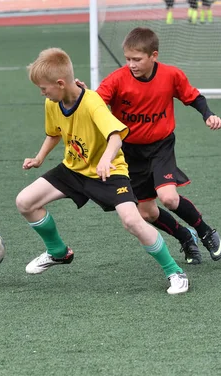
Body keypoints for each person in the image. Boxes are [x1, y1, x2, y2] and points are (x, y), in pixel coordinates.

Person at [16, 48, 189, 295]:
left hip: (109, 172)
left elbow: (116, 137)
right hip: (74, 169)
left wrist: (107, 159)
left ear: (60, 83)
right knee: (25, 202)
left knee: (132, 220)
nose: (42, 93)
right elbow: (54, 132)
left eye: (44, 88)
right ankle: (58, 252)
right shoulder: (52, 103)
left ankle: (175, 272)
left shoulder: (92, 103)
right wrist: (39, 158)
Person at [79, 27, 221, 265]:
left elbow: (194, 97)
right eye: (128, 59)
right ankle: (184, 236)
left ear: (153, 56)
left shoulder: (171, 75)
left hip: (160, 146)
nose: (131, 64)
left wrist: (208, 115)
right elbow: (94, 103)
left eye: (137, 59)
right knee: (146, 212)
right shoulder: (117, 79)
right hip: (129, 152)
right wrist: (81, 93)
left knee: (168, 198)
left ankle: (206, 232)